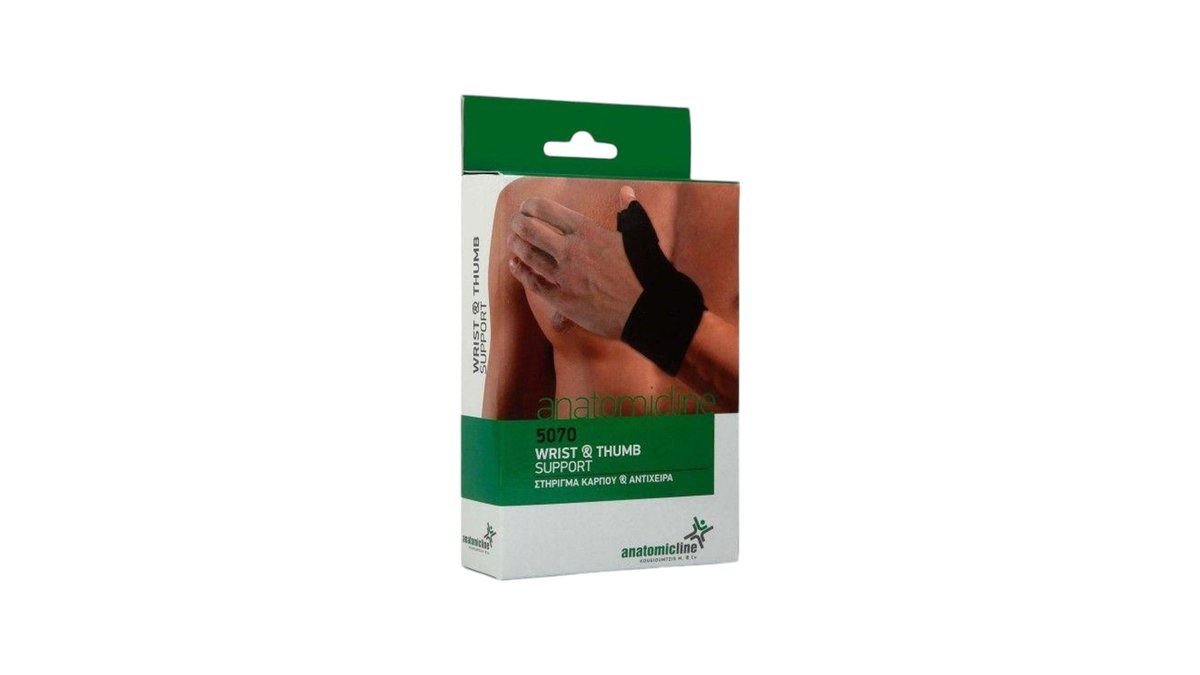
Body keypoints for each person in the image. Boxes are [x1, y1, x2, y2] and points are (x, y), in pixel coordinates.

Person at [482, 177, 739, 420]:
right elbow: (509, 426)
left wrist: (644, 311)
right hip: (587, 453)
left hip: (715, 454)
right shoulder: (529, 203)